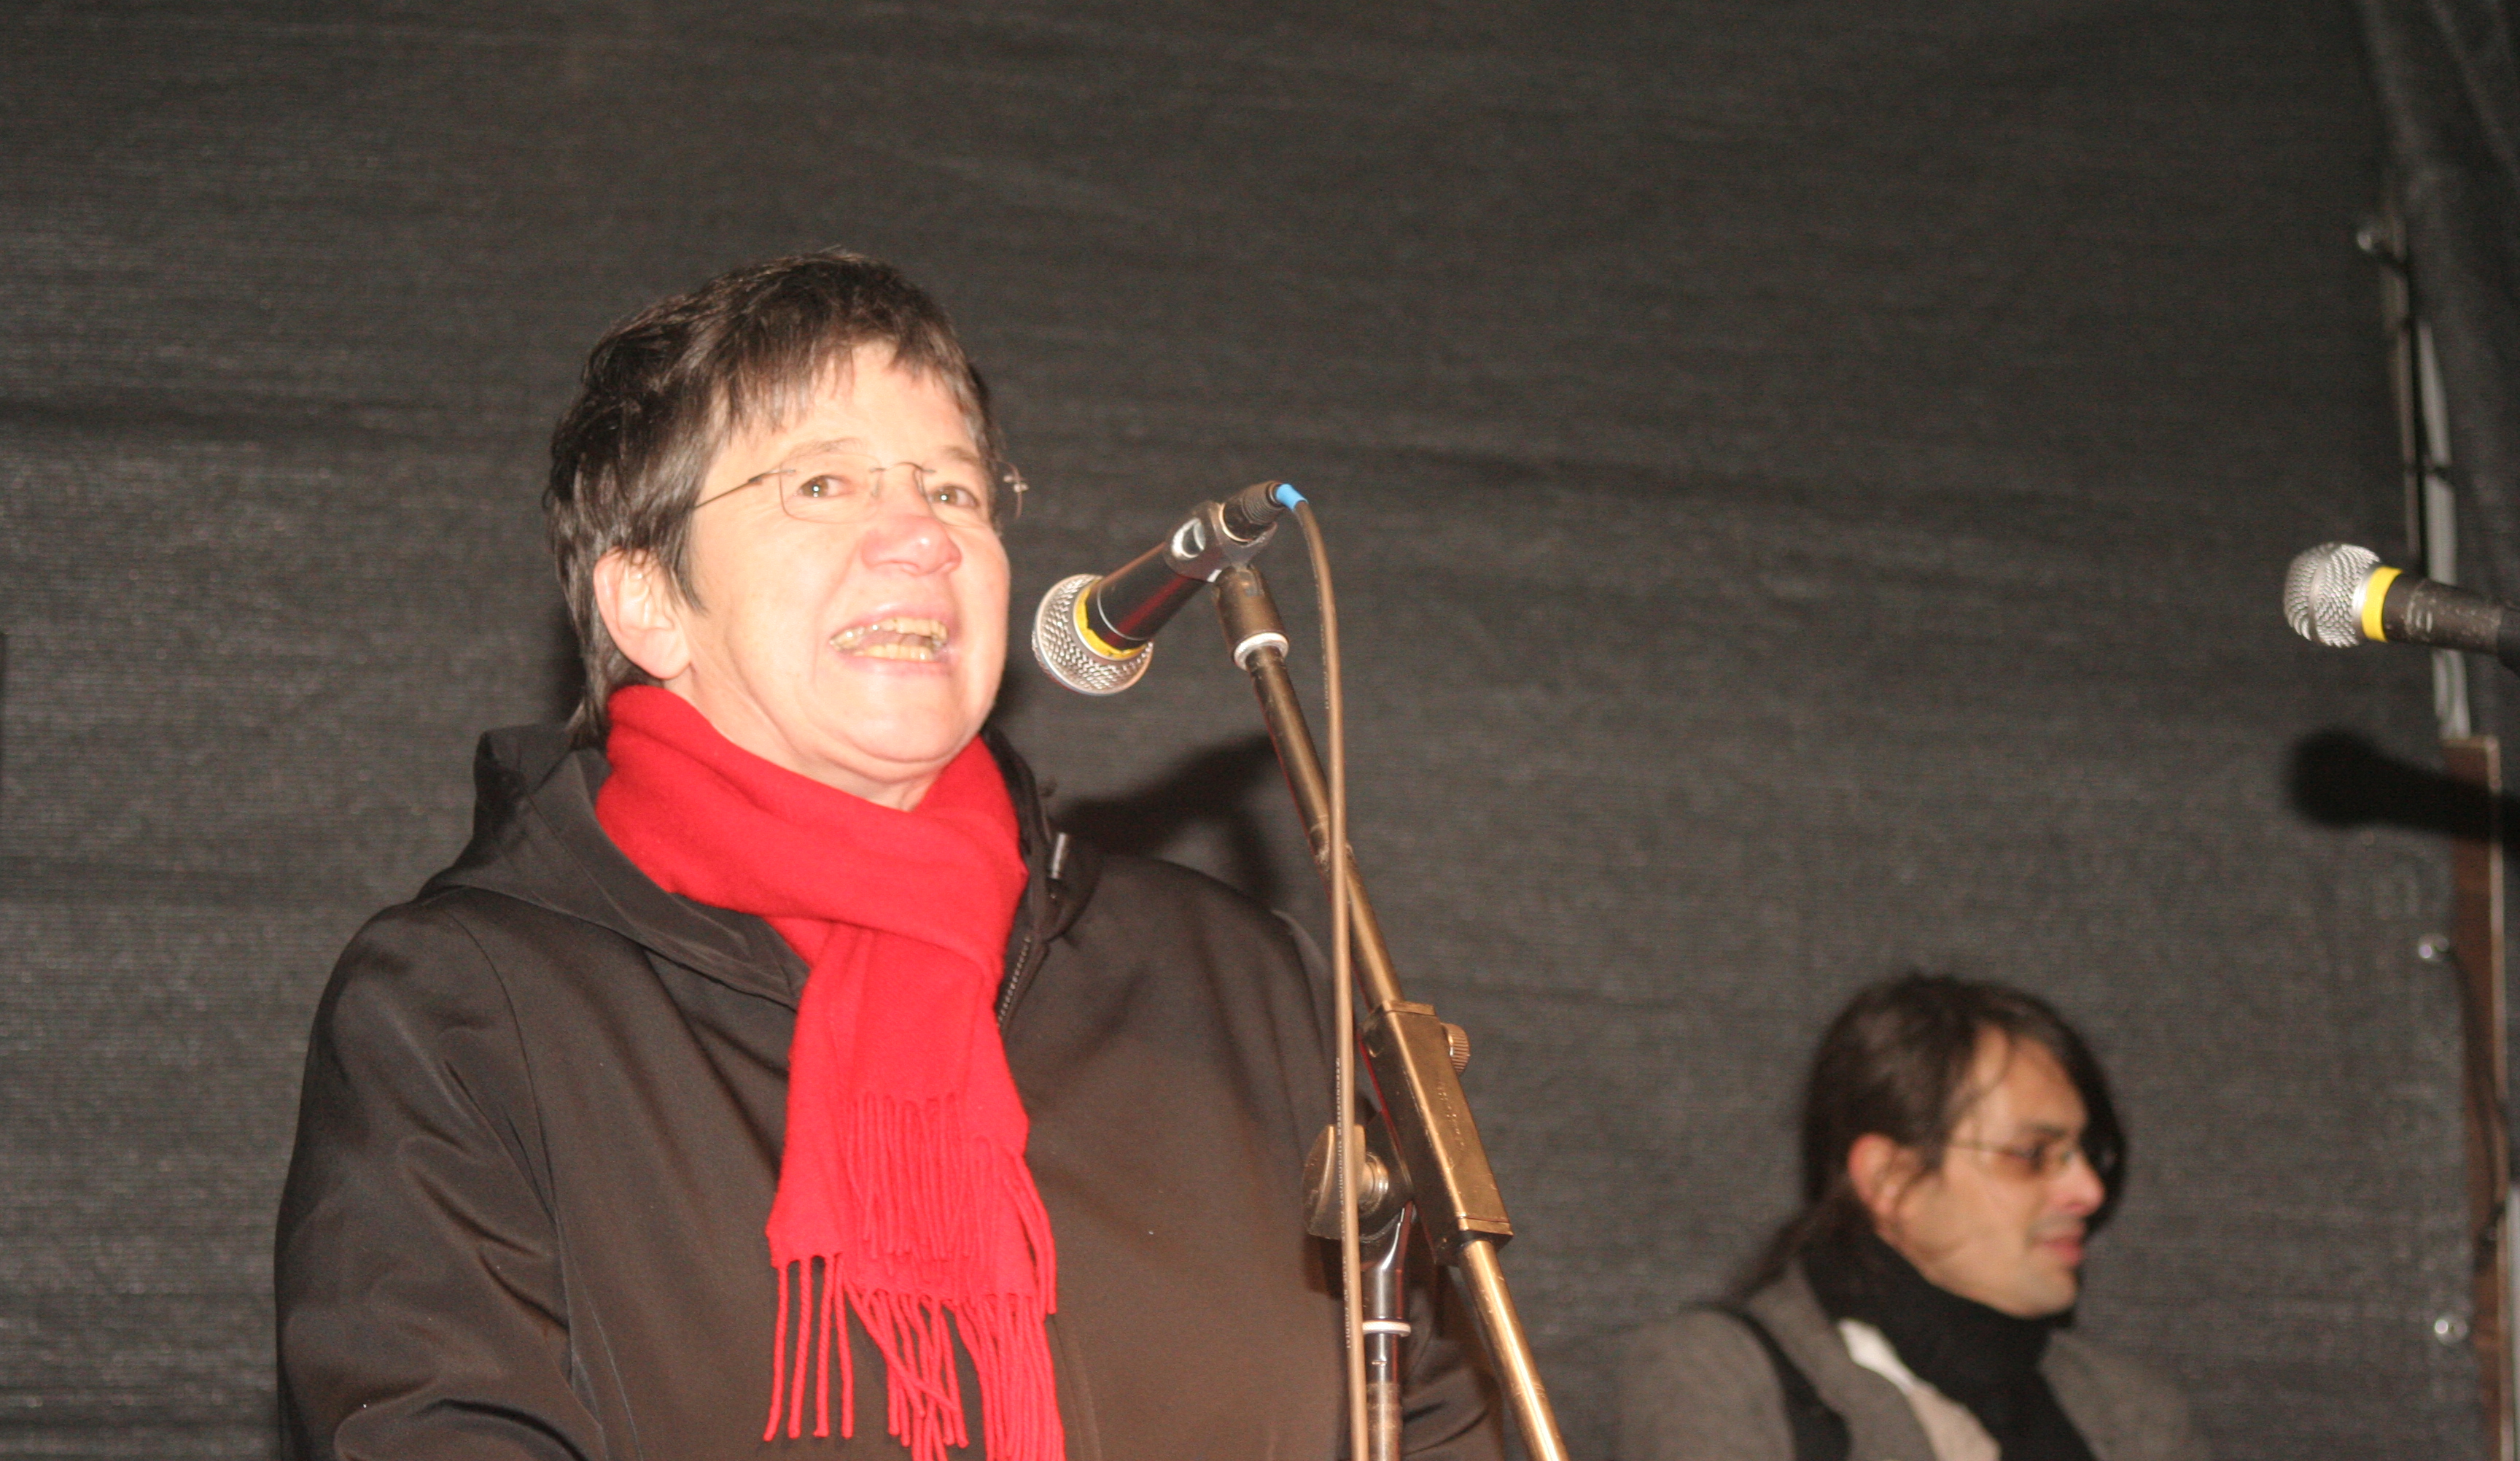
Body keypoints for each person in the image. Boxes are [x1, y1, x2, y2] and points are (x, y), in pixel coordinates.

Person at [274, 252, 1500, 1461]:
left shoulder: (1241, 981)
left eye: (955, 491)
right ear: (647, 599)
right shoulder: (470, 1004)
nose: (921, 535)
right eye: (822, 484)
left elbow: (1435, 1419)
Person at [1617, 974, 2206, 1461]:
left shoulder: (2131, 1411)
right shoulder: (1722, 1380)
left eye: (2087, 1154)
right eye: (2032, 1155)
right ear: (1891, 1180)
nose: (2088, 1191)